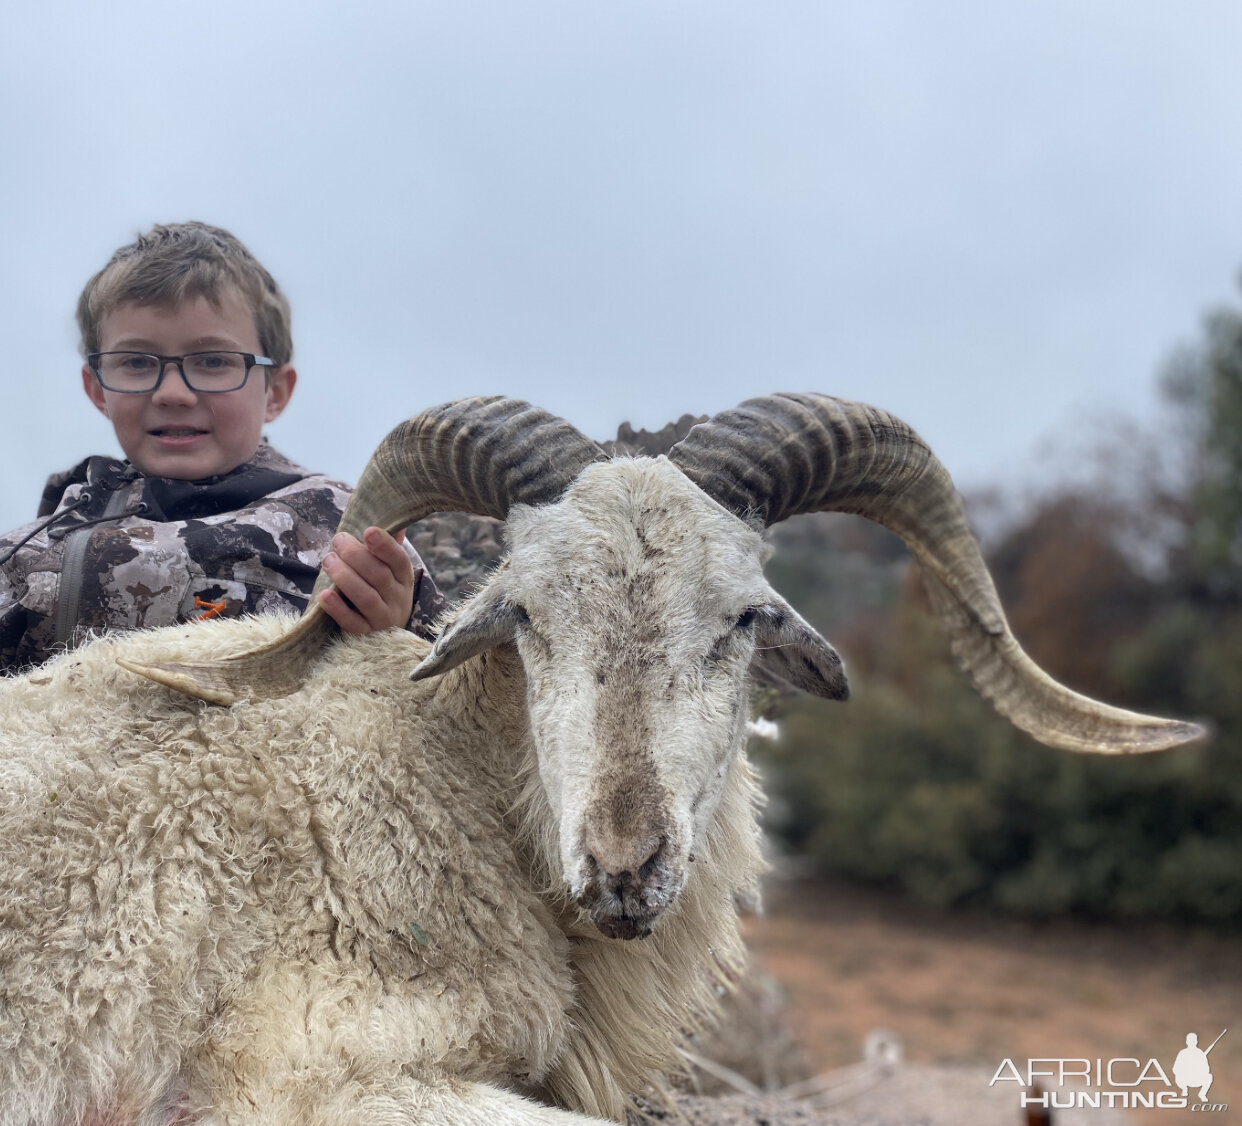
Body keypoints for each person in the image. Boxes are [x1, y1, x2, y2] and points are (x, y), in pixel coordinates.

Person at [0, 222, 444, 675]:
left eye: (213, 361)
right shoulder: (28, 552)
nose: (173, 393)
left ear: (275, 391)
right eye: (136, 362)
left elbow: (459, 706)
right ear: (97, 389)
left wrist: (394, 638)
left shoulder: (352, 535)